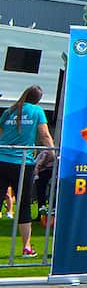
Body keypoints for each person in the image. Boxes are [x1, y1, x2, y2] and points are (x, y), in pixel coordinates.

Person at [0, 85, 52, 258]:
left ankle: (27, 247)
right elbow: (44, 134)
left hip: (2, 159)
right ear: (37, 99)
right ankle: (26, 247)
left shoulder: (9, 111)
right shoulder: (37, 111)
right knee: (24, 206)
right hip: (22, 163)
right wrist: (53, 153)